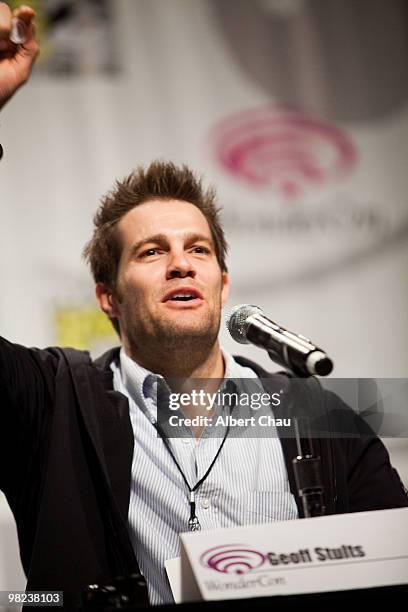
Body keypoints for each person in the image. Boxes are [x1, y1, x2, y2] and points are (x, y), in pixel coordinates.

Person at [1, 4, 407, 609]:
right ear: (107, 297)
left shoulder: (328, 417)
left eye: (198, 249)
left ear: (222, 281)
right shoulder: (53, 402)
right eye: (151, 252)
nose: (181, 263)